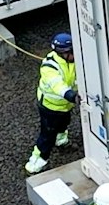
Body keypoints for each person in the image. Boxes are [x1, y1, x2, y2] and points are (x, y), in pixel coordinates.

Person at [27, 33, 77, 174]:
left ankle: (61, 140)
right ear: (63, 53)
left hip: (65, 106)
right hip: (50, 107)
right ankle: (36, 162)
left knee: (64, 123)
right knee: (47, 134)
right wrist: (71, 95)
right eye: (72, 52)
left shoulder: (73, 60)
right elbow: (57, 85)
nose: (75, 54)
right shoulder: (50, 66)